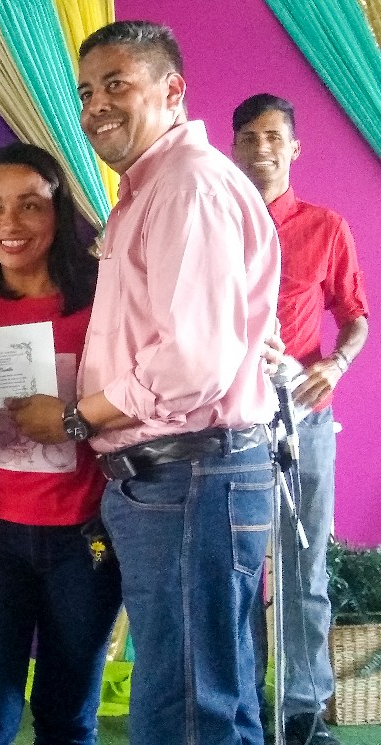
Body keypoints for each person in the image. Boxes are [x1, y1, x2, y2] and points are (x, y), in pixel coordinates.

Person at [5, 21, 282, 744]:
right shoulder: (150, 190)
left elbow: (192, 360)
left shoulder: (186, 187)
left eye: (116, 85)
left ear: (172, 89)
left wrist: (76, 417)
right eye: (85, 92)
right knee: (210, 694)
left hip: (190, 475)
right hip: (178, 479)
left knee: (181, 707)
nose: (95, 105)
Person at [0, 143, 122, 745]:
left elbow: (146, 397)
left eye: (29, 205)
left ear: (58, 211)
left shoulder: (105, 298)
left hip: (87, 535)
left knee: (68, 716)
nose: (9, 223)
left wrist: (70, 420)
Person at [232, 93, 370, 745]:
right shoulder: (215, 228)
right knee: (235, 568)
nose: (261, 148)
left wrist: (335, 365)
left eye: (273, 137)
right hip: (228, 418)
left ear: (294, 148)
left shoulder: (326, 227)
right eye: (249, 137)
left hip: (302, 417)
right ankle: (241, 706)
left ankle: (302, 710)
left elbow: (355, 317)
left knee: (303, 567)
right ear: (233, 147)